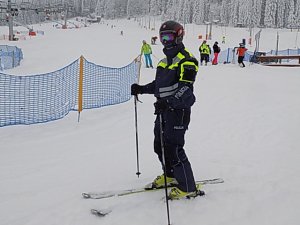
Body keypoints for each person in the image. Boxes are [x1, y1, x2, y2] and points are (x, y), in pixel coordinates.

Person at [131, 21, 203, 200]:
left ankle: (188, 187)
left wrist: (170, 102)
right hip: (164, 110)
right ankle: (171, 176)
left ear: (179, 36)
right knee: (160, 146)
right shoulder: (164, 61)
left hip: (178, 111)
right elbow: (159, 86)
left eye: (169, 37)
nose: (165, 41)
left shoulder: (187, 59)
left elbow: (186, 88)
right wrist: (141, 89)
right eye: (162, 37)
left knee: (174, 148)